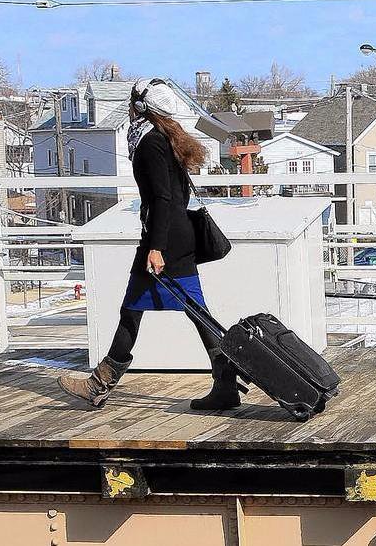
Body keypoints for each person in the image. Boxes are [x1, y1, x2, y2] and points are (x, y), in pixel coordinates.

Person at [60, 79, 243, 411]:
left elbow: (162, 198)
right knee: (194, 313)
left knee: (135, 311)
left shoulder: (150, 143)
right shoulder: (164, 139)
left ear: (140, 107)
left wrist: (156, 247)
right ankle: (226, 384)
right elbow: (175, 196)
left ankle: (99, 384)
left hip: (165, 241)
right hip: (176, 235)